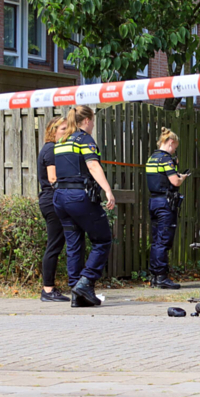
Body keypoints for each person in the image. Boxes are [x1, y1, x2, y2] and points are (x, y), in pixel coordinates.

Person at [53, 105, 115, 308]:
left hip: (60, 197)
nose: (93, 125)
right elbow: (93, 165)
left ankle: (76, 293)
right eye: (93, 121)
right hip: (78, 197)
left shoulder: (61, 141)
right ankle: (85, 281)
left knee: (74, 244)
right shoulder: (84, 139)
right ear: (87, 120)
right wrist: (108, 190)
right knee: (103, 239)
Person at [146, 127, 190, 289]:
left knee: (156, 239)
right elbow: (175, 182)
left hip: (154, 202)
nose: (174, 150)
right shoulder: (166, 159)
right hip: (165, 203)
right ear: (171, 143)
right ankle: (162, 277)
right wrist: (182, 177)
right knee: (164, 240)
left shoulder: (152, 158)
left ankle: (154, 276)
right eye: (175, 147)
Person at [38, 116, 69, 302]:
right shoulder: (50, 149)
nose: (66, 132)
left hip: (53, 200)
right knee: (54, 245)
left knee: (57, 244)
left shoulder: (54, 149)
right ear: (53, 131)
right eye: (63, 129)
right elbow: (52, 178)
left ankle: (50, 288)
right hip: (52, 200)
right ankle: (48, 290)